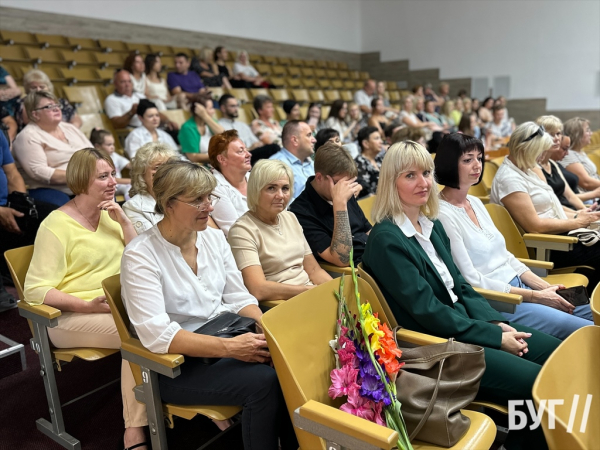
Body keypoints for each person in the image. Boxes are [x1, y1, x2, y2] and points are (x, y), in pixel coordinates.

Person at [362, 140, 560, 450]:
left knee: (559, 355)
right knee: (540, 384)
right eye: (410, 175)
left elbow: (462, 287)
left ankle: (535, 438)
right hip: (441, 348)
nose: (424, 182)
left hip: (466, 327)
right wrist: (493, 337)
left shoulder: (430, 224)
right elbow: (429, 312)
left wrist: (495, 323)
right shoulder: (387, 239)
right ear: (391, 181)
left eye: (426, 173)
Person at [120, 160, 297, 450]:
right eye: (198, 200)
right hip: (176, 365)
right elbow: (158, 336)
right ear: (169, 203)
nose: (209, 207)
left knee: (291, 356)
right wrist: (233, 348)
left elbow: (239, 297)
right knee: (264, 382)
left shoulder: (214, 239)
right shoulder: (140, 255)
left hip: (226, 335)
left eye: (209, 197)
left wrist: (265, 324)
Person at [23, 148, 148, 450]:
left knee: (164, 320)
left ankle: (182, 397)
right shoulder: (56, 226)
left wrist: (126, 224)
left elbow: (140, 259)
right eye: (103, 177)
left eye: (112, 175)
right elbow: (35, 291)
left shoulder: (110, 215)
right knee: (140, 337)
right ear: (81, 181)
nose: (112, 182)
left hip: (115, 307)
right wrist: (86, 305)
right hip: (68, 317)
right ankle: (135, 430)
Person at [436, 133, 593, 340]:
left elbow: (506, 256)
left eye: (479, 158)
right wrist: (536, 297)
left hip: (524, 287)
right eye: (467, 160)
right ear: (449, 164)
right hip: (502, 300)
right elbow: (471, 279)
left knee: (594, 310)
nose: (477, 165)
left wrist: (545, 288)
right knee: (588, 330)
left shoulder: (474, 203)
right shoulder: (442, 214)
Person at [490, 122, 600, 287]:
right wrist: (577, 221)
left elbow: (551, 205)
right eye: (539, 151)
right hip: (550, 245)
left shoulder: (527, 170)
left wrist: (581, 215)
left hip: (561, 235)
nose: (542, 156)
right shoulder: (509, 179)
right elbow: (536, 226)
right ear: (525, 150)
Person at [229, 159, 332, 301]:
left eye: (285, 188)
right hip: (281, 305)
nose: (281, 196)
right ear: (255, 190)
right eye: (271, 188)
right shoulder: (242, 230)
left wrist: (335, 291)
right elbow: (258, 289)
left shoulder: (290, 217)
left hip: (310, 294)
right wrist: (308, 291)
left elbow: (314, 270)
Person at [290, 142, 370, 266]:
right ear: (319, 178)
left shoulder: (344, 189)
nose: (345, 188)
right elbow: (342, 259)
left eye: (348, 182)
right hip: (354, 270)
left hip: (372, 255)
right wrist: (340, 205)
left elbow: (367, 230)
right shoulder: (300, 212)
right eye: (339, 182)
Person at [0, 131, 55, 311]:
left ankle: (43, 279)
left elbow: (12, 173)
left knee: (51, 216)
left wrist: (22, 201)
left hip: (6, 201)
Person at [13, 91, 92, 206]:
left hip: (84, 184)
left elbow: (95, 154)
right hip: (48, 189)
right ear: (35, 114)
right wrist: (80, 176)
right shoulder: (28, 136)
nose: (56, 109)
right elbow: (39, 172)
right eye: (49, 107)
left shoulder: (70, 128)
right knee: (65, 208)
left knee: (105, 199)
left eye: (56, 105)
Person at [535, 115, 594, 209]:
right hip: (562, 216)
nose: (556, 138)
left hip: (573, 212)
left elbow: (570, 196)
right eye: (551, 134)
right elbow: (552, 204)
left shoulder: (552, 163)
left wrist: (586, 211)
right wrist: (580, 215)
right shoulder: (534, 166)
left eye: (558, 134)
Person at [123, 142, 178, 234]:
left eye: (169, 166)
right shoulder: (134, 207)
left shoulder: (185, 196)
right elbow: (154, 242)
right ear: (142, 173)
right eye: (157, 167)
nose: (164, 171)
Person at [207, 130, 251, 236]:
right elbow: (236, 232)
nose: (248, 154)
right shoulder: (215, 188)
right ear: (222, 159)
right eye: (241, 151)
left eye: (246, 150)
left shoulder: (255, 177)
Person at [217, 94, 280, 164]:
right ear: (223, 108)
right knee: (274, 148)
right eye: (232, 106)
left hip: (250, 154)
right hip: (237, 157)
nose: (236, 109)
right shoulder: (219, 126)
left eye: (237, 105)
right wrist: (249, 148)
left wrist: (255, 146)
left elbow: (257, 143)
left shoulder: (242, 125)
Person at [269, 120, 315, 201]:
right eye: (309, 135)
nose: (314, 140)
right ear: (295, 140)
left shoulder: (312, 163)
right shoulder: (275, 165)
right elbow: (280, 203)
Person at [178, 97, 224, 164]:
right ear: (199, 110)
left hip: (217, 162)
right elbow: (193, 157)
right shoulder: (187, 128)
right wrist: (218, 157)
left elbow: (223, 135)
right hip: (201, 167)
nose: (214, 111)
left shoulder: (210, 121)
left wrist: (205, 117)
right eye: (211, 108)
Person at [560, 117, 599, 194]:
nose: (591, 133)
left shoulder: (580, 152)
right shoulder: (567, 155)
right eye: (587, 130)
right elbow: (586, 183)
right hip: (589, 199)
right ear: (577, 134)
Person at [90, 129, 131, 198]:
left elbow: (129, 165)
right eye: (109, 145)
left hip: (119, 185)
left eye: (113, 144)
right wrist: (131, 181)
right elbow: (112, 179)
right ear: (97, 146)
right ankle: (130, 207)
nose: (113, 147)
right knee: (130, 188)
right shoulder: (96, 160)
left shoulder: (114, 155)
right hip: (107, 187)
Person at [355, 126, 383, 197]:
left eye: (380, 138)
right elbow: (365, 190)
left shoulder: (380, 158)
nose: (381, 141)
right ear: (366, 144)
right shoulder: (358, 163)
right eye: (376, 138)